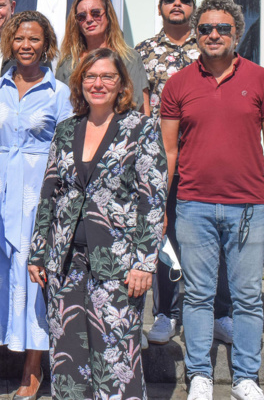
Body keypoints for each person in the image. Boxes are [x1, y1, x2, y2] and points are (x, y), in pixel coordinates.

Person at [160, 0, 264, 400]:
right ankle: (200, 375)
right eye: (205, 28)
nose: (213, 35)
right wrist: (159, 208)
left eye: (222, 29)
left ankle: (246, 378)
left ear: (236, 34)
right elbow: (168, 151)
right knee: (200, 295)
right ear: (196, 34)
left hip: (249, 207)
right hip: (193, 205)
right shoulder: (178, 83)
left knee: (248, 298)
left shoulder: (262, 79)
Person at [29, 48, 167, 400]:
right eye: (90, 76)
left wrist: (144, 262)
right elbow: (49, 192)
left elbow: (151, 200)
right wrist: (38, 251)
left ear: (122, 83)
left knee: (115, 356)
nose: (98, 83)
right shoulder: (66, 130)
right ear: (79, 83)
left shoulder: (141, 127)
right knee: (68, 357)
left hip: (118, 261)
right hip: (65, 261)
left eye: (107, 76)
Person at [0, 11, 72, 400]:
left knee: (33, 277)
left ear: (46, 44)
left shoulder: (61, 93)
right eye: (19, 38)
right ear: (9, 42)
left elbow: (68, 150)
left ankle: (32, 368)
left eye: (34, 39)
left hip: (40, 193)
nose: (26, 45)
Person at [134, 0, 233, 346]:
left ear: (193, 6)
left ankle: (220, 312)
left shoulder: (211, 46)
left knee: (217, 238)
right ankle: (165, 312)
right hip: (163, 160)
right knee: (164, 236)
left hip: (207, 158)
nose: (177, 3)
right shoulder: (142, 52)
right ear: (160, 7)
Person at [55, 0, 150, 115]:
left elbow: (143, 109)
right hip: (78, 132)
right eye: (81, 17)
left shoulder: (129, 58)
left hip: (121, 131)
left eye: (95, 13)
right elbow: (59, 108)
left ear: (108, 16)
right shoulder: (68, 63)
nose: (89, 19)